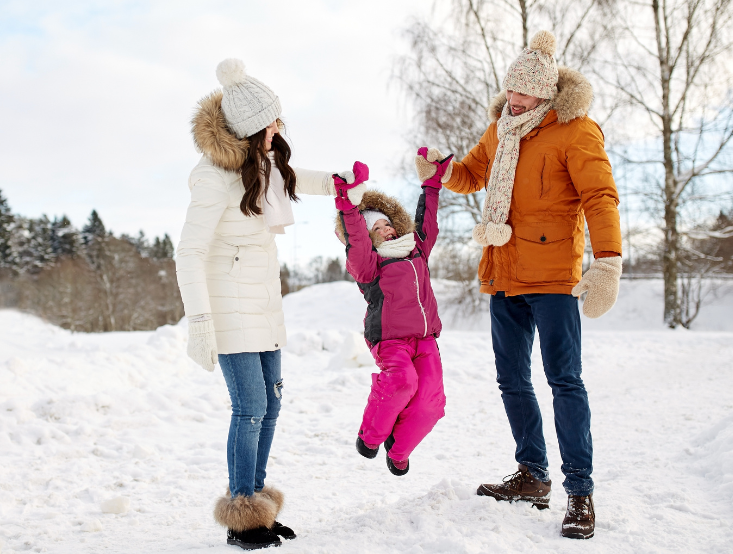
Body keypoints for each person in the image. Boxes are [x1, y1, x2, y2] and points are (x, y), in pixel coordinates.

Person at [421, 31, 622, 539]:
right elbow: (471, 173)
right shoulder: (501, 129)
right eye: (511, 90)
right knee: (511, 380)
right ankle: (533, 475)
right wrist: (442, 169)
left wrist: (608, 261)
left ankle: (580, 492)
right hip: (504, 272)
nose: (514, 100)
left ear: (548, 93)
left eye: (525, 94)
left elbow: (600, 196)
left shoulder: (576, 131)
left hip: (554, 276)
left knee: (564, 381)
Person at [176, 59, 366, 550]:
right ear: (250, 127)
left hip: (262, 303)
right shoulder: (213, 178)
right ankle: (242, 514)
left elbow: (296, 176)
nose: (279, 127)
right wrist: (199, 322)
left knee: (272, 404)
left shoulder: (263, 166)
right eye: (272, 120)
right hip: (227, 306)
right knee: (251, 407)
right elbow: (189, 252)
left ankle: (257, 501)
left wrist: (340, 181)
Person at [332, 152, 449, 477]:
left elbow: (427, 220)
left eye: (387, 223)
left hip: (425, 339)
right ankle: (370, 436)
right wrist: (349, 208)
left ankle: (399, 449)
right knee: (402, 382)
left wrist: (431, 184)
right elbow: (355, 239)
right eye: (376, 228)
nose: (384, 230)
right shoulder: (368, 265)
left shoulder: (416, 250)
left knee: (431, 402)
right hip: (390, 340)